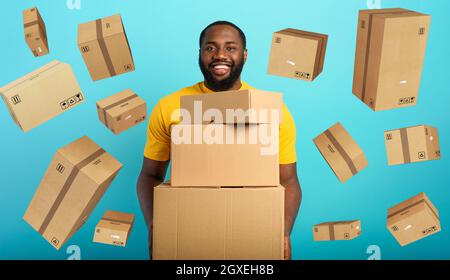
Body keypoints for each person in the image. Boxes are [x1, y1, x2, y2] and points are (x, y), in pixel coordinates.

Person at [137, 21, 302, 260]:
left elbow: (288, 180)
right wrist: (156, 223)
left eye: (230, 48)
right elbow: (150, 175)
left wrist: (282, 231)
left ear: (245, 55)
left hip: (251, 232)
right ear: (200, 54)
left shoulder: (270, 110)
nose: (220, 55)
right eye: (210, 48)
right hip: (188, 232)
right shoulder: (170, 107)